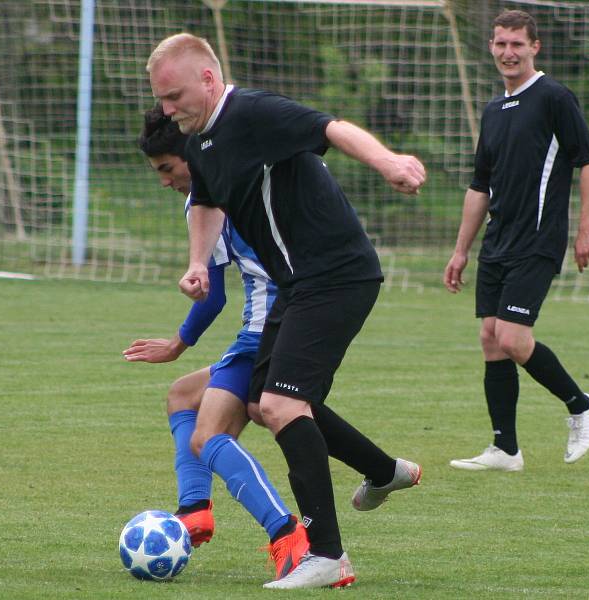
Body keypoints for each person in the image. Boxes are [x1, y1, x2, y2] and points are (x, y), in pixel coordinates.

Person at [146, 33, 425, 590]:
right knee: (258, 401)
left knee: (279, 403)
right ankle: (382, 471)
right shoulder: (200, 143)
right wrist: (198, 263)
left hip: (335, 273)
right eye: (162, 100)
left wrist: (388, 161)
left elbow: (332, 128)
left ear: (207, 80)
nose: (167, 109)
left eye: (174, 96)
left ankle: (326, 553)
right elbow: (204, 201)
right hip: (295, 284)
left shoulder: (252, 113)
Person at [123, 105, 309, 580]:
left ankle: (286, 531)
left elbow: (212, 296)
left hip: (271, 326)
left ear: (191, 154)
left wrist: (176, 344)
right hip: (273, 322)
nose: (165, 181)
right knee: (183, 394)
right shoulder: (230, 179)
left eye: (167, 168)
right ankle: (194, 512)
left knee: (210, 436)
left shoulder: (211, 196)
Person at [443, 9, 589, 472]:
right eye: (500, 44)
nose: (508, 52)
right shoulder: (494, 110)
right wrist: (460, 251)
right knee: (491, 339)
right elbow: (479, 187)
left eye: (517, 44)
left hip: (538, 239)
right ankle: (505, 450)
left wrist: (586, 228)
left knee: (513, 337)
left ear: (535, 47)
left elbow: (588, 161)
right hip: (497, 242)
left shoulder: (554, 97)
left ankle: (581, 405)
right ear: (491, 47)